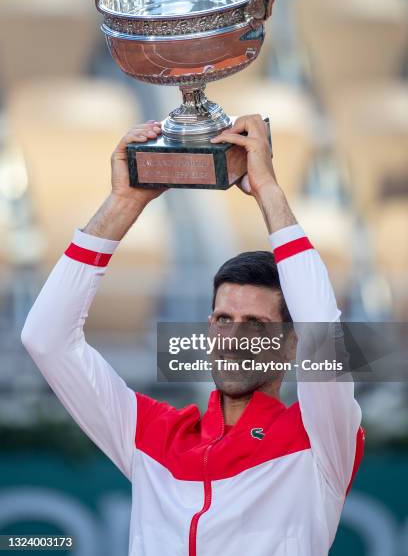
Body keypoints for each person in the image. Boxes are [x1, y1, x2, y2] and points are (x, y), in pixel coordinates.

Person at [21, 115, 364, 556]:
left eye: (257, 325)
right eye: (224, 319)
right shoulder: (152, 435)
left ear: (291, 344)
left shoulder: (320, 438)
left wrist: (268, 191)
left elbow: (321, 325)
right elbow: (45, 338)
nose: (234, 338)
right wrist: (124, 202)